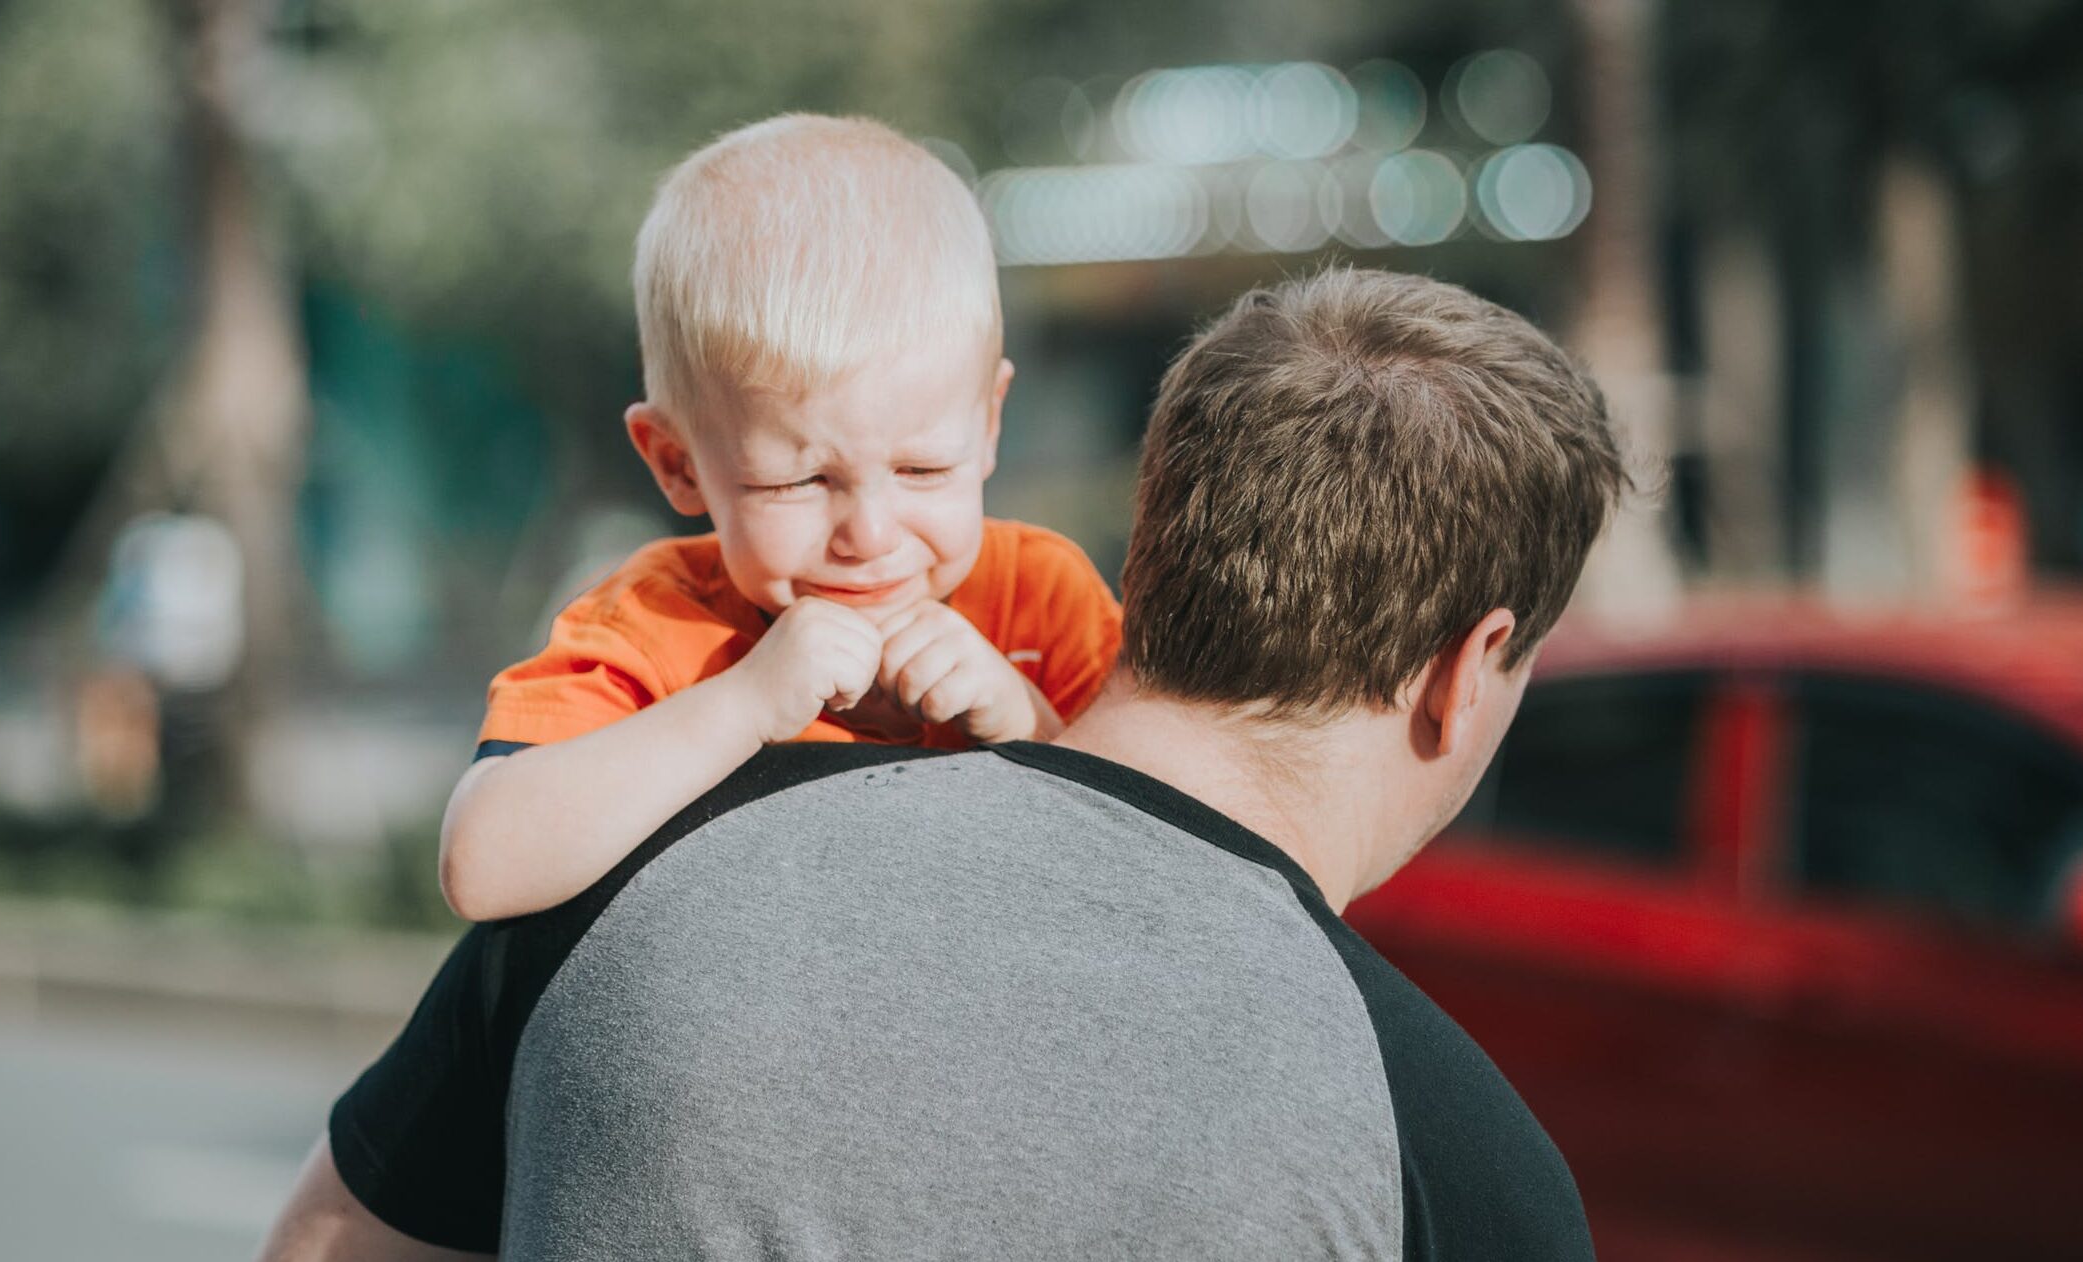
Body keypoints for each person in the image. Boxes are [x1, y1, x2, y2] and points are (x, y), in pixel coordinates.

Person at [259, 266, 1626, 1260]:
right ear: (1465, 666)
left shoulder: (626, 879)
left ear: (1149, 546)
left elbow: (323, 1244)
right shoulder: (1458, 1163)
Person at [437, 113, 1123, 922]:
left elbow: (1172, 865)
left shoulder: (1042, 599)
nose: (869, 536)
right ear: (676, 463)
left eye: (922, 469)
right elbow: (484, 868)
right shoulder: (655, 625)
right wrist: (741, 704)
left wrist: (1027, 722)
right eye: (796, 482)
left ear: (990, 424)